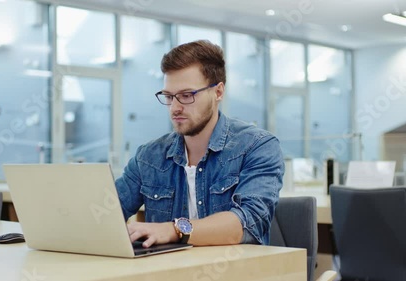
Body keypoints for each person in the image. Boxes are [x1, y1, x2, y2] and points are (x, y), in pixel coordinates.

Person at [115, 40, 284, 248]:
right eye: (169, 96)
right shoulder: (149, 156)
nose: (175, 108)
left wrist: (175, 229)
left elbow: (248, 223)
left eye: (187, 96)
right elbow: (108, 214)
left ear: (218, 92)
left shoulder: (257, 146)